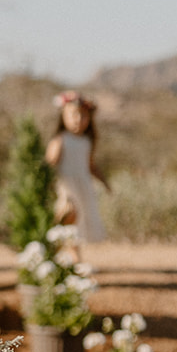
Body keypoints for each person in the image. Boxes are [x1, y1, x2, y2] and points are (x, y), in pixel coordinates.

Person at [45, 90, 109, 251]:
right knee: (68, 219)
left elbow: (90, 165)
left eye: (84, 116)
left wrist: (105, 182)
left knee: (79, 223)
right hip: (66, 188)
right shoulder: (60, 140)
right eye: (74, 115)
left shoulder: (87, 141)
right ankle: (71, 260)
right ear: (63, 116)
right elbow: (49, 164)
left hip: (83, 186)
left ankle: (71, 260)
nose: (79, 120)